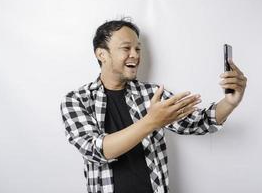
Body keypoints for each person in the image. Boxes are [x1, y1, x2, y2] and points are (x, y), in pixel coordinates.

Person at [60, 18, 247, 193]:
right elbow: (97, 150)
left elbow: (198, 123)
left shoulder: (152, 94)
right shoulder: (76, 100)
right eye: (126, 48)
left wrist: (230, 102)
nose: (135, 55)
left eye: (138, 49)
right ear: (102, 54)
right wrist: (151, 121)